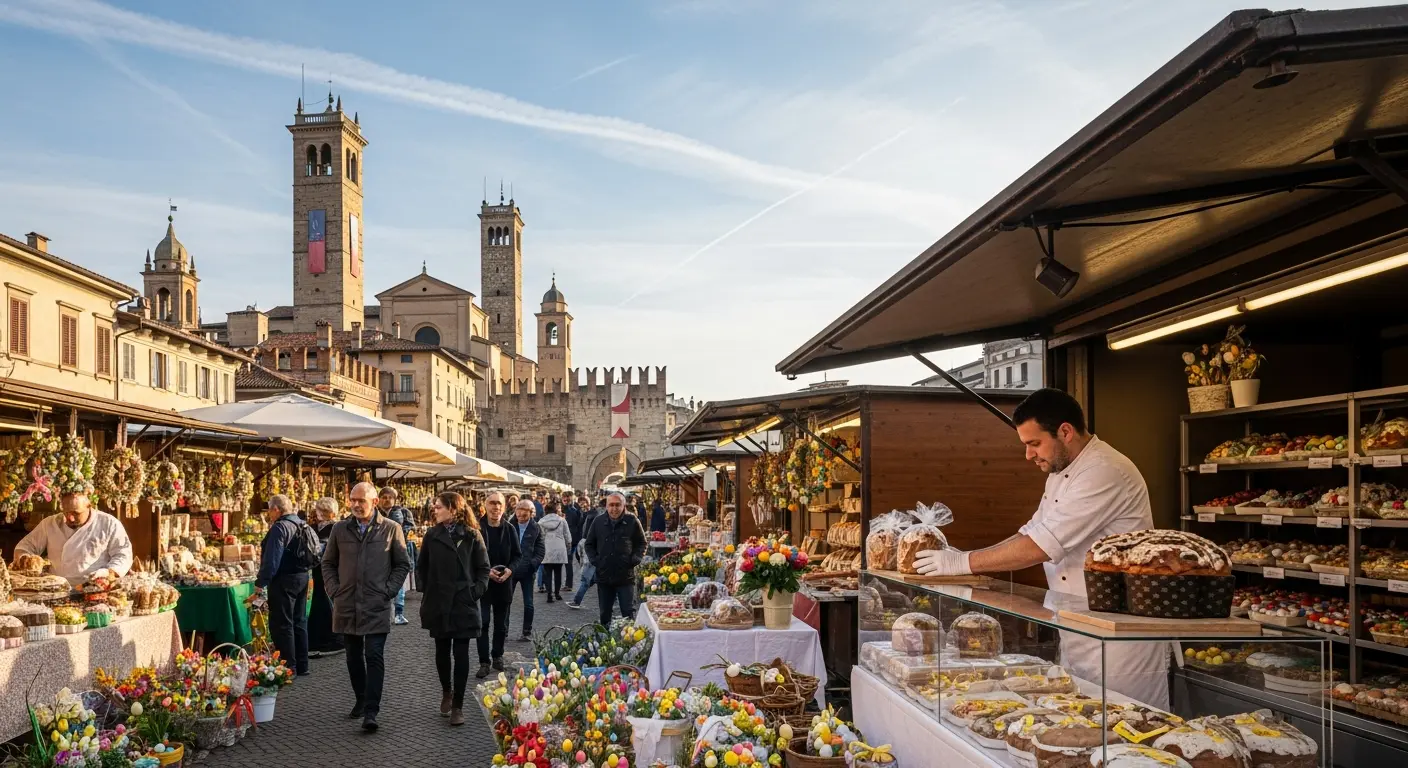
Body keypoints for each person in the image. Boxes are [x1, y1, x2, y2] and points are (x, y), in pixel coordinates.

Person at [913, 387, 1169, 708]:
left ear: (1065, 431)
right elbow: (1030, 533)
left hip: (1121, 642)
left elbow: (1040, 546)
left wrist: (962, 563)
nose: (1028, 455)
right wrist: (962, 559)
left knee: (1131, 732)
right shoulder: (1059, 474)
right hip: (1079, 628)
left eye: (1034, 443)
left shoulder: (1104, 471)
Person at [322, 481, 412, 732]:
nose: (356, 505)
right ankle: (360, 698)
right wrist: (334, 589)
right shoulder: (340, 529)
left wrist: (388, 591)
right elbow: (327, 563)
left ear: (374, 502)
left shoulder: (391, 528)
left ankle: (371, 710)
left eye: (361, 500)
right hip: (347, 602)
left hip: (376, 602)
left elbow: (402, 564)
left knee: (373, 654)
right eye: (352, 500)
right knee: (352, 656)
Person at [416, 491, 490, 726]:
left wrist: (473, 592)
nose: (434, 510)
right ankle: (446, 692)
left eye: (438, 507)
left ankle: (458, 705)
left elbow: (483, 568)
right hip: (439, 601)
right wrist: (427, 591)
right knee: (441, 651)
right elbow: (422, 567)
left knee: (461, 653)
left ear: (453, 509)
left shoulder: (471, 535)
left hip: (462, 602)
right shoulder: (431, 535)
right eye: (434, 507)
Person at [256, 494, 316, 677]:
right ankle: (303, 664)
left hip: (284, 579)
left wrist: (261, 583)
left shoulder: (280, 527)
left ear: (276, 509)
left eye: (269, 511)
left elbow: (272, 559)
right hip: (302, 576)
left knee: (283, 623)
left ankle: (288, 667)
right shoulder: (303, 524)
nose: (269, 515)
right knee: (299, 621)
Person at [16, 492, 133, 585]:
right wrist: (26, 561)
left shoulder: (108, 523)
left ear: (89, 506)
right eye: (66, 513)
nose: (70, 518)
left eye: (76, 513)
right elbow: (24, 547)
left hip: (94, 588)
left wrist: (109, 572)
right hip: (56, 589)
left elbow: (123, 554)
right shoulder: (50, 523)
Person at [583, 492, 646, 627]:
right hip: (604, 576)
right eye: (611, 505)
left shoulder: (632, 520)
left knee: (628, 613)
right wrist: (596, 561)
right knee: (605, 614)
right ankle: (605, 643)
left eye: (618, 505)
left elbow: (642, 543)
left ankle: (629, 643)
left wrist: (635, 559)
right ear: (606, 506)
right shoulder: (598, 521)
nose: (614, 508)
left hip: (625, 576)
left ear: (623, 506)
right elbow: (589, 544)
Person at [477, 492, 520, 676]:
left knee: (501, 624)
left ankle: (497, 656)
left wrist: (510, 569)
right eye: (492, 503)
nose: (496, 507)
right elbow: (470, 557)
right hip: (484, 584)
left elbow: (518, 556)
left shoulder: (510, 528)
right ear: (485, 506)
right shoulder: (477, 528)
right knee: (483, 622)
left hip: (503, 583)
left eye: (499, 504)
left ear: (504, 507)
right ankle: (484, 661)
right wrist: (487, 572)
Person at [307, 497, 344, 658]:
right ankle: (317, 639)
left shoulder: (338, 527)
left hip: (331, 571)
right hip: (315, 570)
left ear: (332, 513)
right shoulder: (312, 527)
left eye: (325, 511)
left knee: (327, 602)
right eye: (319, 510)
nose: (321, 514)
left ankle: (332, 639)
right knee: (318, 602)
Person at [377, 487, 416, 626]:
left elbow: (411, 528)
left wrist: (398, 532)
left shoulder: (404, 512)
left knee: (398, 582)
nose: (387, 500)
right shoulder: (374, 513)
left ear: (394, 499)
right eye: (384, 497)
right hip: (380, 552)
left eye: (390, 497)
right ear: (379, 499)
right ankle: (383, 611)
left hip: (398, 550)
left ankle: (399, 613)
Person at [510, 499, 545, 640]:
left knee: (529, 603)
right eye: (518, 513)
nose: (520, 517)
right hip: (510, 570)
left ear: (530, 514)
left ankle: (526, 631)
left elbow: (540, 551)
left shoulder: (536, 528)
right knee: (506, 601)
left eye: (524, 515)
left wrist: (532, 564)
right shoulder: (509, 526)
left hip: (527, 572)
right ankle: (504, 630)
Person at [537, 502, 572, 603]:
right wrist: (568, 548)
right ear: (556, 510)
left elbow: (539, 538)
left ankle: (549, 595)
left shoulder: (540, 522)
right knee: (558, 573)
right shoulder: (562, 520)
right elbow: (568, 537)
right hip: (559, 549)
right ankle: (557, 594)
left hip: (547, 550)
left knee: (547, 573)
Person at [562, 493, 582, 590]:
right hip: (575, 538)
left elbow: (568, 526)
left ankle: (569, 584)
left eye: (566, 499)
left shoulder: (569, 511)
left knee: (568, 562)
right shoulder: (576, 510)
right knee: (571, 561)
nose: (565, 500)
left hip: (570, 539)